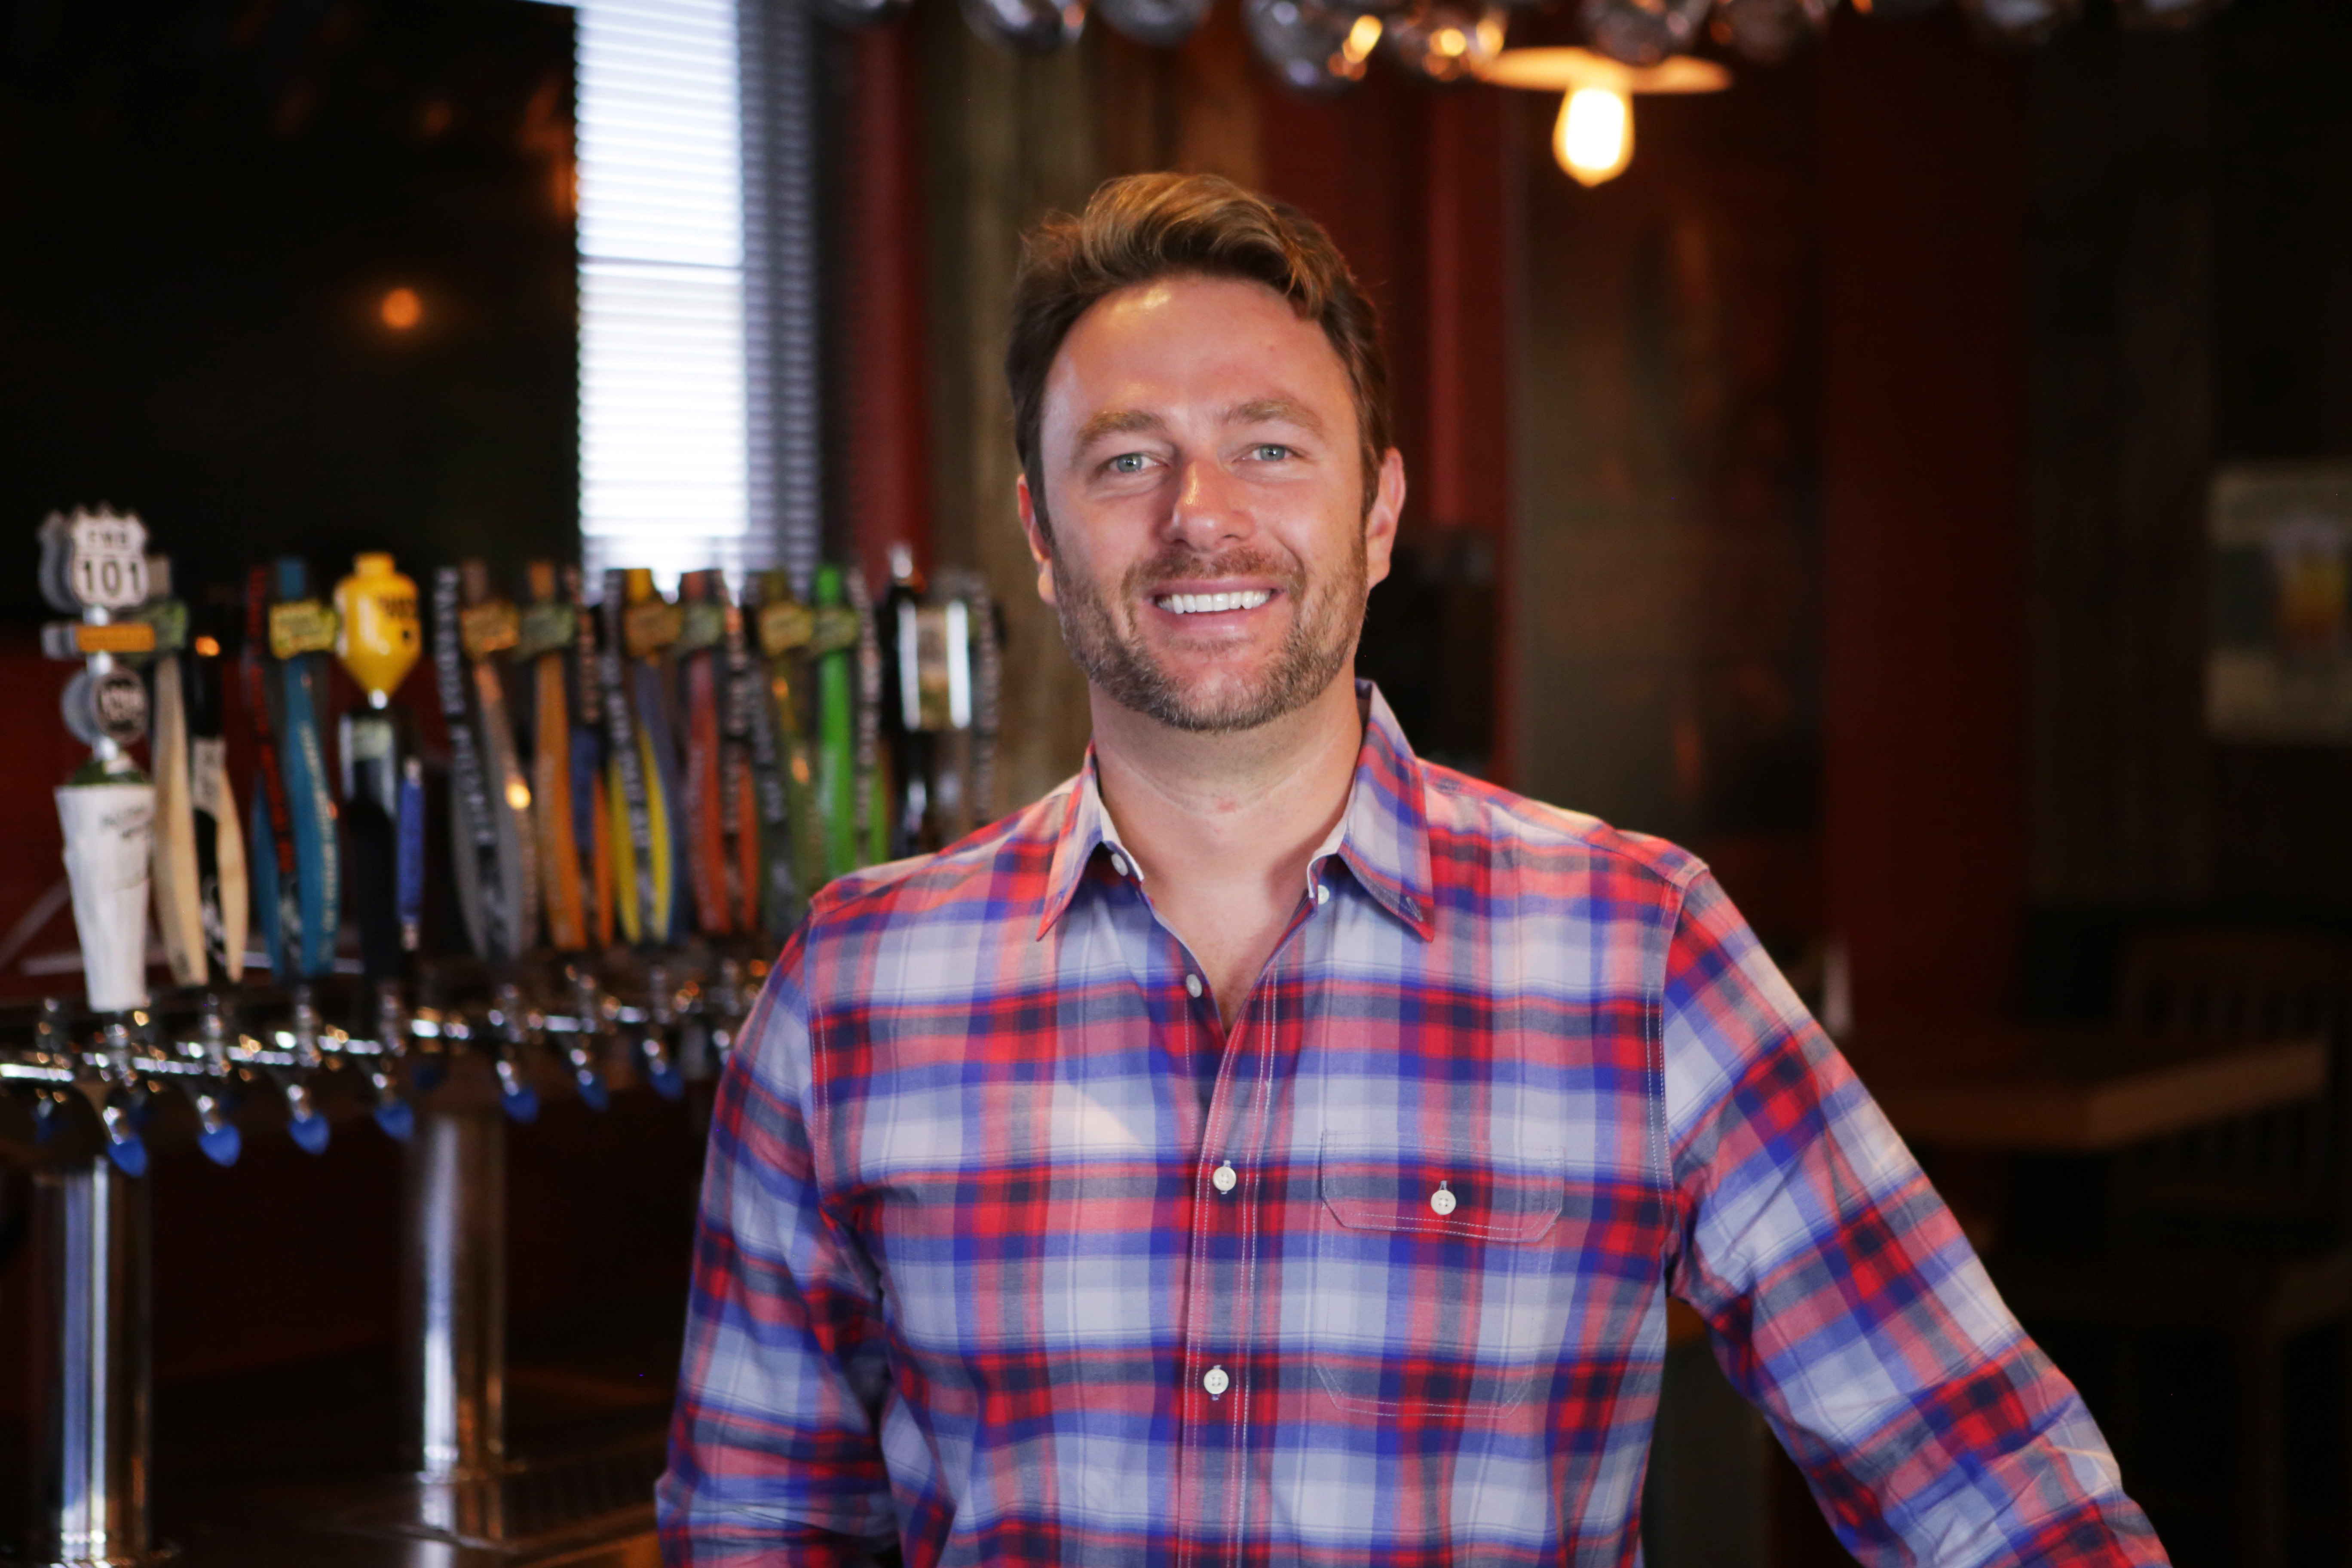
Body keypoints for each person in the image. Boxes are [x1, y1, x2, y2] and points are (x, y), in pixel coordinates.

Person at [658, 172, 2165, 1567]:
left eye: (1269, 447)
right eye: (1128, 460)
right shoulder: (856, 989)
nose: (1203, 518)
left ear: (1377, 513)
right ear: (1043, 536)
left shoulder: (1637, 949)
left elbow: (1991, 1481)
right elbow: (754, 1521)